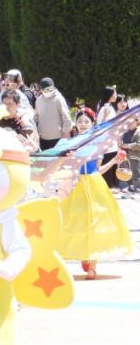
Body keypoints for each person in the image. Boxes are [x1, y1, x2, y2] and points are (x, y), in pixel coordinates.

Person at [57, 108, 132, 280]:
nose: (83, 124)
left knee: (96, 223)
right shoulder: (70, 143)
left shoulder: (98, 144)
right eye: (80, 121)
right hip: (75, 184)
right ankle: (85, 255)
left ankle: (92, 267)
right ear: (75, 124)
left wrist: (114, 161)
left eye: (86, 121)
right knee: (77, 222)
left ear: (92, 124)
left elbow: (98, 170)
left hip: (94, 185)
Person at [34, 77, 73, 151]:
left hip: (58, 138)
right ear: (41, 90)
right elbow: (36, 117)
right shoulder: (38, 101)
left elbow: (66, 116)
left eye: (50, 89)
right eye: (45, 90)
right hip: (43, 138)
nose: (48, 92)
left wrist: (66, 132)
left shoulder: (58, 99)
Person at [96, 85, 119, 188]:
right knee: (107, 166)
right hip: (106, 143)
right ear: (110, 95)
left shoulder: (110, 107)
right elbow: (100, 125)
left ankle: (111, 186)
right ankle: (108, 187)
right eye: (115, 93)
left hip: (112, 141)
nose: (116, 95)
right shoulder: (104, 108)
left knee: (112, 165)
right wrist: (105, 116)